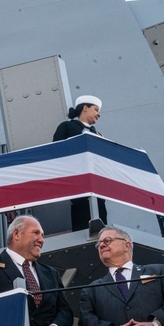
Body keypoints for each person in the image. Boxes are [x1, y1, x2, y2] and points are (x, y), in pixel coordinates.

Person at [52, 95, 108, 231]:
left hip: (97, 186)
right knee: (82, 219)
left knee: (101, 220)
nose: (98, 114)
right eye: (95, 109)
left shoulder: (98, 134)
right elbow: (56, 151)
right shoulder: (67, 127)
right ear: (85, 108)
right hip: (78, 183)